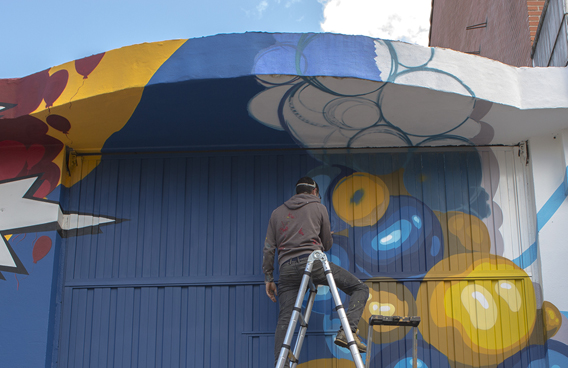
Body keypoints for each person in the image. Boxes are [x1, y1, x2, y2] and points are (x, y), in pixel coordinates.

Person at [262, 176, 369, 366]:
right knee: (360, 289)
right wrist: (322, 236)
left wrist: (269, 277)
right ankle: (347, 331)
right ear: (314, 192)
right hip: (312, 263)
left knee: (286, 317)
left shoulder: (277, 213)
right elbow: (326, 244)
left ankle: (281, 363)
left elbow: (269, 247)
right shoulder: (318, 207)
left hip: (286, 269)